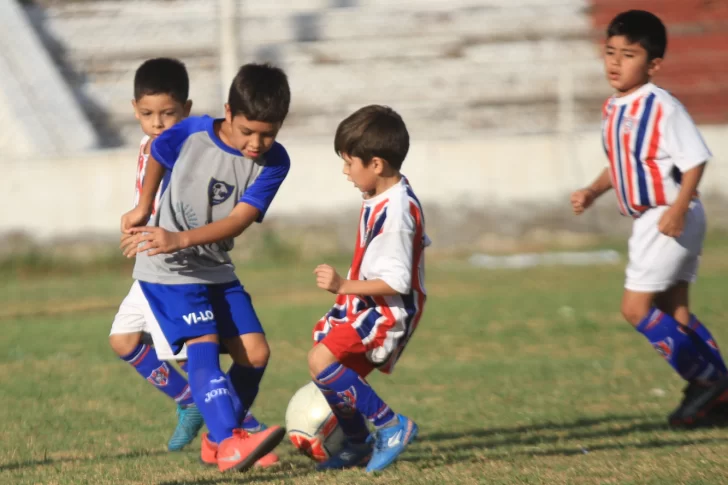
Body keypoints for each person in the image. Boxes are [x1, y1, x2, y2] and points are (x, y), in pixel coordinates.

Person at [120, 63, 290, 472]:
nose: (256, 143)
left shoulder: (275, 162)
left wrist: (182, 237)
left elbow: (239, 220)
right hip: (167, 265)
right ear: (228, 112)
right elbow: (158, 154)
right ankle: (231, 440)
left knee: (255, 353)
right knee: (203, 347)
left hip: (213, 264)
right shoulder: (191, 130)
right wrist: (145, 207)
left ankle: (217, 438)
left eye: (268, 133)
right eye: (248, 131)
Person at [570, 10, 728, 427]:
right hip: (664, 217)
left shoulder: (661, 106)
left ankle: (709, 382)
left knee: (635, 308)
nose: (615, 62)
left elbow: (695, 161)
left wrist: (676, 211)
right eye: (610, 52)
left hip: (667, 216)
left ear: (653, 64)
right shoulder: (615, 107)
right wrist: (592, 190)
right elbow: (622, 165)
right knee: (674, 311)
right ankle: (717, 393)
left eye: (628, 54)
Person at [308, 105, 429, 472]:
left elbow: (397, 281)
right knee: (327, 365)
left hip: (387, 309)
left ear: (376, 164)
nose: (345, 172)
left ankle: (391, 425)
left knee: (322, 361)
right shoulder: (382, 197)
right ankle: (357, 443)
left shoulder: (396, 213)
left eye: (349, 163)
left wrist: (344, 285)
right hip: (363, 304)